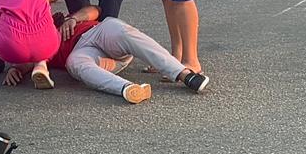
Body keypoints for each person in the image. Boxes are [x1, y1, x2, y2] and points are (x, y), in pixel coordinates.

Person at [18, 6, 207, 101]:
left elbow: (94, 10)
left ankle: (184, 74)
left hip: (97, 33)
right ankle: (128, 89)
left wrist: (74, 18)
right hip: (85, 53)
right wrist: (16, 70)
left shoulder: (57, 17)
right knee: (75, 63)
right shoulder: (36, 45)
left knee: (118, 29)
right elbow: (28, 62)